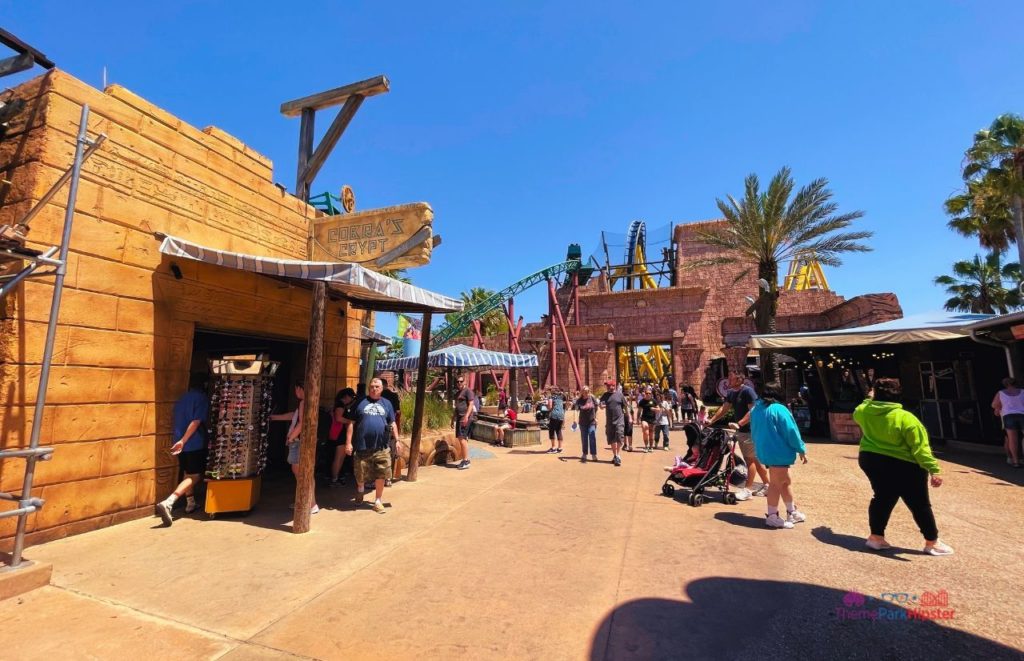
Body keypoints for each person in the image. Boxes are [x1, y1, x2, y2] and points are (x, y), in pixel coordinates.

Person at [853, 378, 953, 556]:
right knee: (919, 503)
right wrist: (934, 469)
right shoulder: (906, 418)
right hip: (904, 464)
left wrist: (870, 398)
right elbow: (920, 448)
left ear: (875, 394)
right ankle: (932, 541)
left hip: (872, 459)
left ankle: (876, 537)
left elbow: (863, 406)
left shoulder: (863, 412)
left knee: (882, 497)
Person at [750, 382, 808, 529]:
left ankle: (791, 511)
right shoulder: (779, 409)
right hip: (779, 451)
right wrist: (800, 448)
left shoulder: (757, 409)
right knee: (776, 484)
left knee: (785, 481)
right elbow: (791, 431)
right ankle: (772, 516)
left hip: (765, 451)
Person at [156, 377, 209, 525]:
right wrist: (184, 441)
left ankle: (190, 503)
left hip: (179, 443)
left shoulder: (181, 400)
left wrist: (180, 441)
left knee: (187, 473)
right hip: (193, 443)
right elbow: (196, 421)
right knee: (196, 475)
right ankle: (169, 501)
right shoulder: (201, 398)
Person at [707, 371, 768, 501]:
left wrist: (739, 423)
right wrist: (711, 421)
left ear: (739, 379)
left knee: (750, 460)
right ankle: (768, 485)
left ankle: (747, 490)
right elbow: (724, 409)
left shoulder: (748, 391)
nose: (728, 379)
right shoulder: (731, 393)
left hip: (750, 430)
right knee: (756, 460)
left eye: (731, 377)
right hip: (742, 430)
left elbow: (754, 410)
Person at [345, 378, 399, 513]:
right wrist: (348, 443)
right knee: (360, 473)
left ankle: (378, 501)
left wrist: (397, 440)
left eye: (377, 386)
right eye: (372, 386)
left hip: (381, 446)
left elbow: (392, 423)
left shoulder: (387, 404)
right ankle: (360, 491)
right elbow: (351, 423)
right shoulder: (360, 402)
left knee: (381, 473)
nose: (374, 389)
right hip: (362, 445)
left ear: (382, 389)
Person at [270, 382, 319, 515]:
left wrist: (291, 437)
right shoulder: (305, 403)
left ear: (301, 389)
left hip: (299, 441)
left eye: (297, 389)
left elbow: (302, 423)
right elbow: (294, 416)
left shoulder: (304, 402)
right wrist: (275, 417)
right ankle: (306, 501)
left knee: (302, 473)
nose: (295, 392)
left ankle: (311, 503)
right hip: (300, 441)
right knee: (302, 472)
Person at [992, 377, 1024, 468]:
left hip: (1008, 416)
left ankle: (1015, 461)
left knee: (1012, 439)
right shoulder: (1022, 392)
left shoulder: (1001, 393)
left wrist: (1000, 407)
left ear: (1005, 384)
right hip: (1022, 414)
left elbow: (994, 404)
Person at [329, 387, 356, 487]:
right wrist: (350, 421)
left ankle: (335, 478)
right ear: (346, 396)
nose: (351, 399)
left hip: (339, 433)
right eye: (351, 397)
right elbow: (338, 418)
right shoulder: (340, 405)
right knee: (338, 458)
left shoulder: (339, 404)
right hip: (339, 433)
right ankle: (334, 479)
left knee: (340, 457)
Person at [381, 379, 402, 486]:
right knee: (390, 452)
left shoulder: (376, 397)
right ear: (387, 385)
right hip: (391, 427)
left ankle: (378, 477)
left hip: (380, 427)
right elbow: (398, 411)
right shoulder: (393, 396)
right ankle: (388, 478)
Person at [451, 375, 475, 470]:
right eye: (458, 382)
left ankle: (466, 461)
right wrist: (453, 419)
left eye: (461, 381)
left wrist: (466, 416)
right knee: (461, 438)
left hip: (465, 417)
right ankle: (465, 460)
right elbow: (456, 407)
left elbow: (471, 404)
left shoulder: (468, 391)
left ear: (465, 382)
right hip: (459, 417)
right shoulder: (458, 393)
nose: (459, 383)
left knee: (462, 438)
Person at [600, 380, 625, 466]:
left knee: (619, 435)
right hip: (610, 421)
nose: (607, 387)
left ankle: (618, 455)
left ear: (613, 386)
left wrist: (629, 418)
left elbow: (625, 406)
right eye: (607, 386)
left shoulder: (620, 395)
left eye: (609, 386)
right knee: (611, 438)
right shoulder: (605, 395)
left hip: (619, 419)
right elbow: (601, 404)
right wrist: (601, 406)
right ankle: (615, 455)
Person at [575, 385, 599, 462]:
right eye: (584, 392)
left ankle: (593, 454)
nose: (586, 393)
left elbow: (596, 408)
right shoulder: (579, 400)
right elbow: (576, 410)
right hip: (582, 422)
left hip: (591, 421)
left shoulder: (592, 398)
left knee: (592, 437)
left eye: (587, 391)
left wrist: (596, 418)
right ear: (582, 392)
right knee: (584, 439)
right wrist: (575, 420)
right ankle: (584, 454)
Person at [637, 387, 659, 452]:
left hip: (652, 419)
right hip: (644, 418)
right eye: (647, 393)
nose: (648, 394)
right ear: (645, 393)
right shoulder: (642, 401)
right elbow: (639, 411)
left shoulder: (654, 401)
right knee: (645, 430)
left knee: (651, 433)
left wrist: (654, 409)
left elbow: (658, 409)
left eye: (649, 393)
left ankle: (651, 447)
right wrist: (638, 419)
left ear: (651, 394)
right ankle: (646, 446)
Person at [545, 388, 566, 454]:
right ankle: (560, 448)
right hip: (561, 415)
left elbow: (550, 407)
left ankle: (553, 447)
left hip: (554, 415)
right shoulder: (560, 397)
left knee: (551, 430)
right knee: (558, 430)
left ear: (551, 392)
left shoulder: (551, 397)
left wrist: (546, 404)